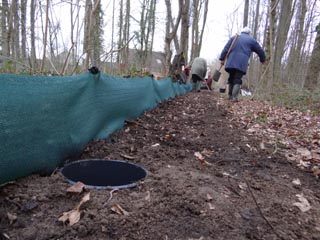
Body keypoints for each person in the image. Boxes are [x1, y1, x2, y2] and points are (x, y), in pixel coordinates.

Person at [219, 26, 266, 101]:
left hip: (231, 62)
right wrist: (262, 59)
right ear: (249, 33)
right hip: (241, 63)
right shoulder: (251, 40)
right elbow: (260, 51)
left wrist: (222, 58)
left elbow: (226, 48)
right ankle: (234, 97)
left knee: (231, 78)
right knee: (237, 79)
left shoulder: (234, 37)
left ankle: (230, 96)